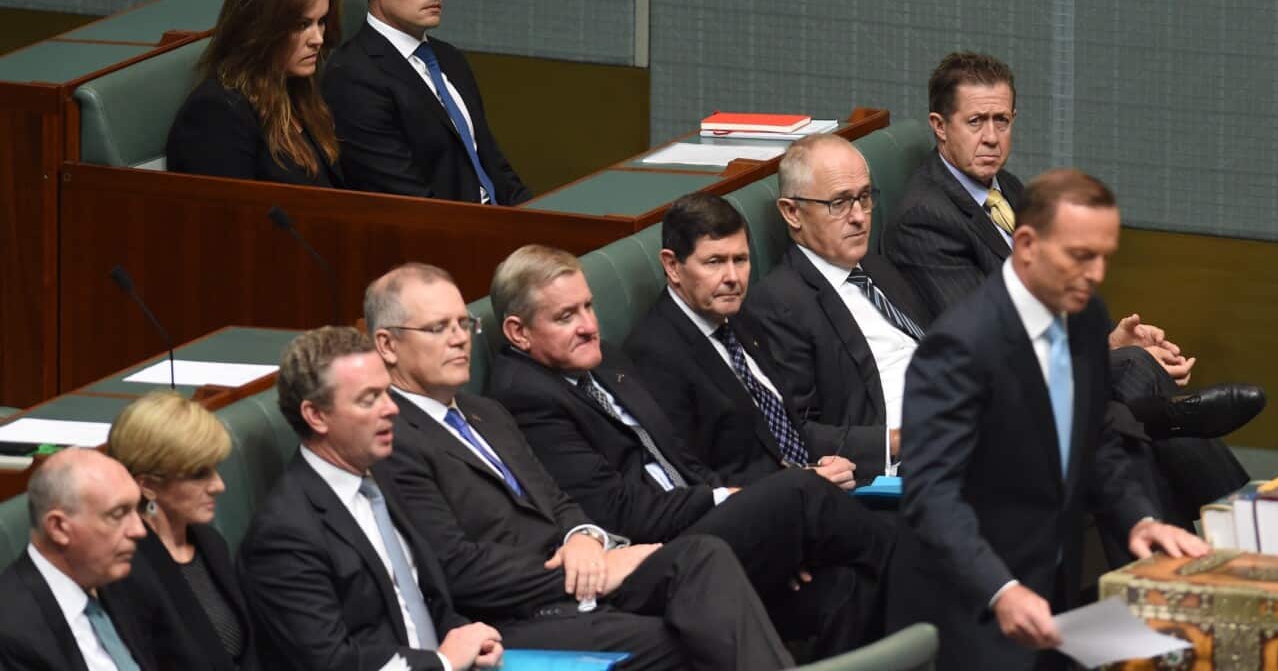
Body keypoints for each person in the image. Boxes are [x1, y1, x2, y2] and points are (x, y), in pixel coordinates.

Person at [881, 51, 1259, 523]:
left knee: (1134, 427)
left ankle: (1190, 552)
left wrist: (1110, 341)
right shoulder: (926, 218)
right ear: (940, 125)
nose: (992, 138)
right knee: (1136, 379)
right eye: (976, 121)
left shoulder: (1010, 191)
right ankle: (1247, 523)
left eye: (1002, 120)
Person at [365, 264, 796, 670]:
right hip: (519, 613)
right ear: (387, 345)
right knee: (686, 635)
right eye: (439, 328)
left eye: (464, 324)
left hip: (584, 575)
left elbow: (556, 498)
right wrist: (589, 575)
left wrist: (584, 537)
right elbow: (457, 567)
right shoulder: (393, 437)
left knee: (702, 557)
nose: (459, 339)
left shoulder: (486, 412)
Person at [485, 245, 893, 658]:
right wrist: (737, 501)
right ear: (519, 332)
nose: (589, 325)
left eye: (588, 306)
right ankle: (926, 566)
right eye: (566, 317)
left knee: (845, 587)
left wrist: (765, 529)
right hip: (653, 557)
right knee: (804, 492)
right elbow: (619, 512)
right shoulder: (525, 397)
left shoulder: (603, 359)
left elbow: (685, 461)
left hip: (702, 524)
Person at [887, 169, 1208, 670]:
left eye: (1104, 257)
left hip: (1054, 594)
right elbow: (932, 497)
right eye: (1081, 256)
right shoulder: (960, 346)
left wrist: (1140, 519)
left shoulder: (1085, 318)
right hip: (971, 608)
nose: (1097, 273)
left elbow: (1096, 434)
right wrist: (1003, 590)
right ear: (1028, 244)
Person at [238, 326, 503, 671]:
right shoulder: (284, 534)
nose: (391, 409)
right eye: (369, 399)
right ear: (316, 415)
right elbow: (330, 663)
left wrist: (467, 636)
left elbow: (423, 600)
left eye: (388, 393)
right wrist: (442, 662)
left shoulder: (381, 477)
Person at [624, 193, 877, 486]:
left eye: (741, 260)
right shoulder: (655, 354)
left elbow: (787, 428)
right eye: (714, 262)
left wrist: (823, 467)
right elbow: (693, 478)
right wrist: (799, 484)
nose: (733, 277)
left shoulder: (740, 316)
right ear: (672, 266)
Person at [747, 135, 931, 460]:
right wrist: (901, 441)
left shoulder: (875, 266)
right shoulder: (778, 304)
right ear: (792, 212)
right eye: (840, 203)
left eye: (864, 197)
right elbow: (794, 432)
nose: (860, 216)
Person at [323, 0, 530, 204]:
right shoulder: (351, 76)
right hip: (454, 234)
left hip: (502, 227)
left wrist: (540, 225)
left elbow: (495, 166)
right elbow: (413, 204)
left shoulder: (450, 58)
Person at [106, 391, 258, 671]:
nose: (219, 486)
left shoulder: (210, 543)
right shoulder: (126, 571)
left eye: (216, 470)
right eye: (200, 474)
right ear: (148, 485)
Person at [167, 0, 345, 187]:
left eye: (320, 22)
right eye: (302, 25)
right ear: (260, 28)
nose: (318, 39)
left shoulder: (299, 89)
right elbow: (231, 218)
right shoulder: (216, 114)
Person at [0, 448, 160, 670]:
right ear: (58, 528)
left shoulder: (121, 578)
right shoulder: (12, 634)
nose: (138, 530)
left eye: (136, 509)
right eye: (118, 514)